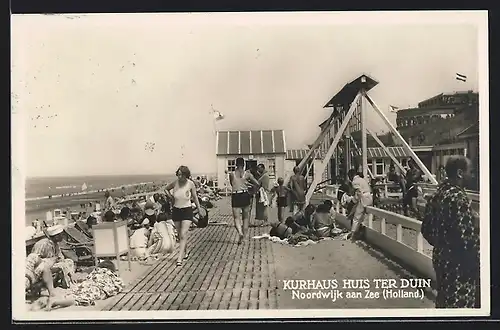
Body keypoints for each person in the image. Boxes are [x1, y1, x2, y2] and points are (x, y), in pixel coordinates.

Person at [421, 156, 480, 308]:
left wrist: (442, 243)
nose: (472, 175)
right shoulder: (458, 198)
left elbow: (426, 229)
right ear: (460, 173)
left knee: (443, 303)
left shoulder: (437, 194)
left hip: (441, 259)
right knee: (460, 308)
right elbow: (468, 241)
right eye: (471, 172)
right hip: (460, 266)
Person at [164, 165, 204, 267]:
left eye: (181, 175)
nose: (179, 177)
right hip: (176, 210)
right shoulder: (175, 183)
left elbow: (195, 197)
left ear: (186, 175)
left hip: (187, 210)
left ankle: (179, 258)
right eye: (178, 174)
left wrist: (199, 210)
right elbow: (166, 189)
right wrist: (171, 197)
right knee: (180, 234)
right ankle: (186, 252)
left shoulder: (190, 184)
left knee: (183, 233)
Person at [27, 225, 76, 308]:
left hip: (51, 263)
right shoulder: (43, 244)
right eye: (61, 235)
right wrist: (54, 260)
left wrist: (63, 263)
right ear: (56, 236)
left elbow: (60, 257)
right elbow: (36, 260)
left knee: (68, 262)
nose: (63, 237)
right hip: (41, 267)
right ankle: (64, 285)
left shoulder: (55, 244)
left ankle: (70, 282)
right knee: (62, 265)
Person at [228, 157, 261, 244]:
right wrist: (253, 190)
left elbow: (232, 184)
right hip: (245, 195)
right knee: (246, 218)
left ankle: (240, 232)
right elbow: (257, 183)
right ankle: (244, 237)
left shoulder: (232, 174)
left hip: (236, 195)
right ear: (244, 164)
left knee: (236, 218)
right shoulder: (247, 174)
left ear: (236, 164)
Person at [345, 169, 373, 241]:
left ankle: (353, 235)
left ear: (351, 175)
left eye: (349, 176)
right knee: (364, 217)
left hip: (363, 198)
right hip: (369, 197)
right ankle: (361, 233)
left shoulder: (355, 182)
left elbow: (359, 192)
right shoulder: (362, 179)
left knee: (356, 217)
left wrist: (353, 200)